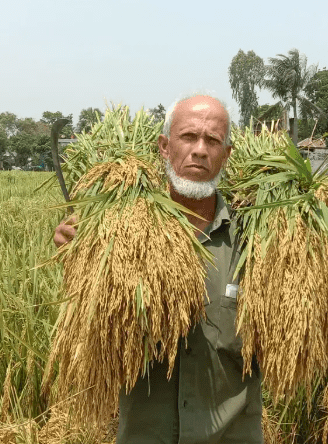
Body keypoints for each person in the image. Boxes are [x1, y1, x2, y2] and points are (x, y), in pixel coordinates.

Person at [53, 94, 263, 443]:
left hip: (232, 434)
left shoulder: (256, 242)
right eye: (188, 137)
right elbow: (95, 328)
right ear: (164, 147)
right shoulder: (120, 233)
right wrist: (79, 255)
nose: (199, 150)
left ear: (226, 156)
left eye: (212, 141)